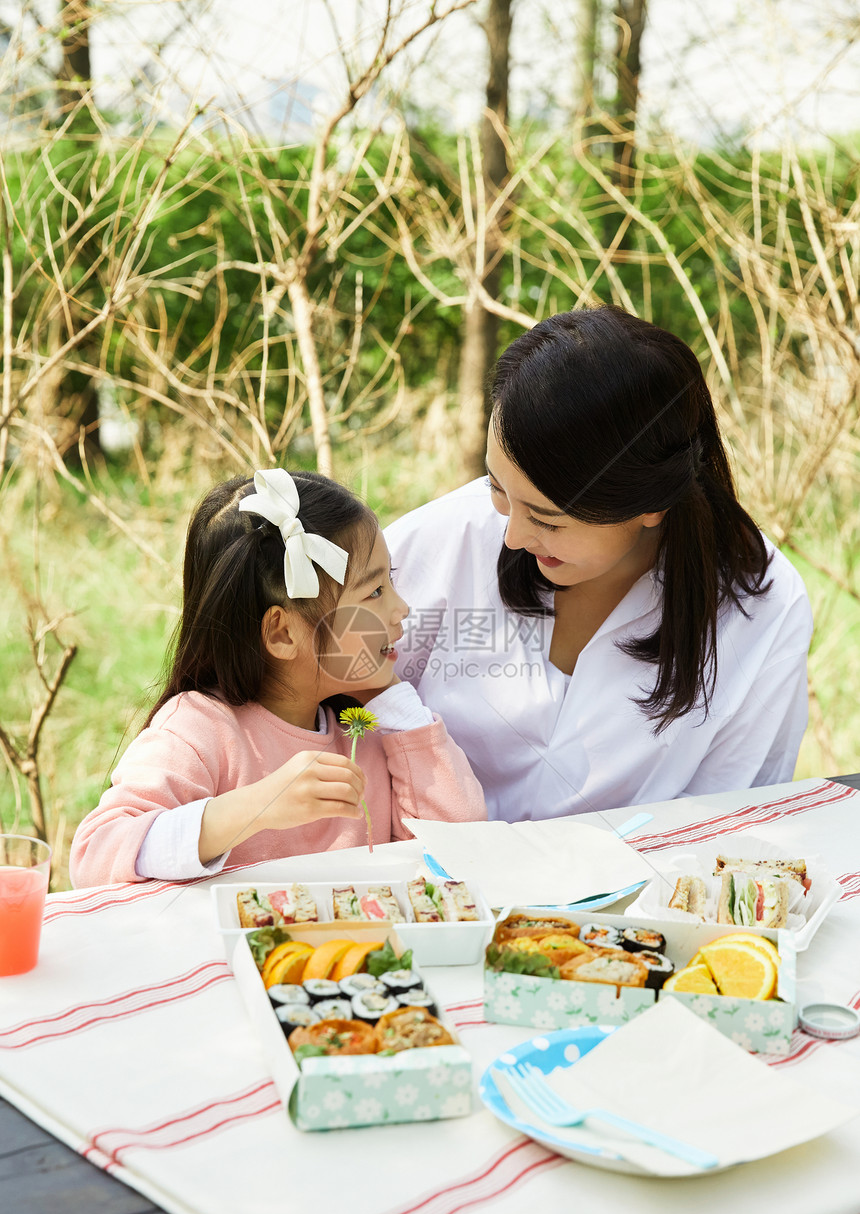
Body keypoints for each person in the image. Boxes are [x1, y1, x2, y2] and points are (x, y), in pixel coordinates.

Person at [385, 305, 813, 822]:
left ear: (651, 502)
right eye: (499, 488)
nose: (513, 535)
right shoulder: (445, 538)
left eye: (548, 519)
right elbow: (321, 706)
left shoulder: (759, 607)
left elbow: (730, 818)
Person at [69, 468, 485, 886]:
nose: (402, 610)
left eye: (389, 582)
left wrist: (394, 700)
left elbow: (458, 852)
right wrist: (258, 805)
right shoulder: (201, 729)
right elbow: (96, 854)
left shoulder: (366, 733)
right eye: (374, 593)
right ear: (283, 633)